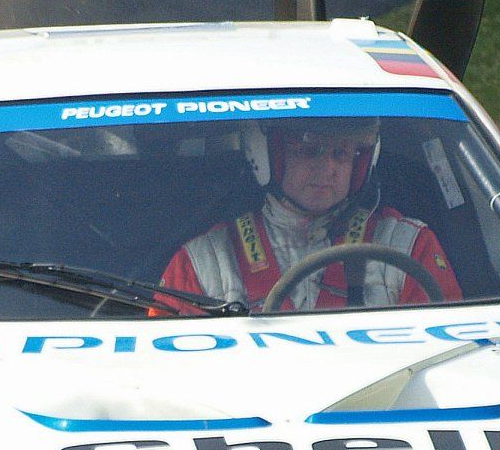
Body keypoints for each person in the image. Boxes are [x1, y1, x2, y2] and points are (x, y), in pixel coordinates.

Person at [159, 118, 461, 312]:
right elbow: (163, 378)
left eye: (341, 154)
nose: (328, 168)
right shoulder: (201, 262)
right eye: (308, 150)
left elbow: (450, 360)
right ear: (266, 156)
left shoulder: (410, 246)